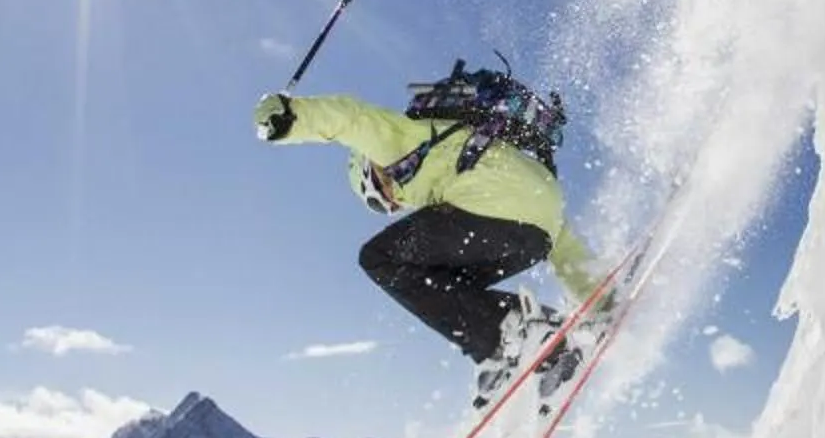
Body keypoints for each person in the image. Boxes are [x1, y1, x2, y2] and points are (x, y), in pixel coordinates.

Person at [255, 82, 603, 405]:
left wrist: (290, 119)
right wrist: (602, 300)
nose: (394, 206)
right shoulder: (483, 155)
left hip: (486, 206)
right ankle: (536, 339)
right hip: (536, 225)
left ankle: (506, 333)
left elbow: (351, 118)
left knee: (378, 258)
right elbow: (562, 245)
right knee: (441, 283)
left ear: (372, 171)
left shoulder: (404, 141)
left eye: (378, 199)